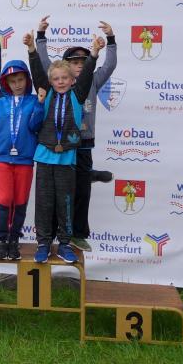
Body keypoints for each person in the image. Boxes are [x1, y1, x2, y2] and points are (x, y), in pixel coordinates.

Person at [37, 17, 117, 253]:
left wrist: (111, 39)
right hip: (60, 147)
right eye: (74, 62)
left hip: (83, 144)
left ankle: (78, 234)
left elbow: (110, 65)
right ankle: (51, 235)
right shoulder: (57, 85)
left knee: (81, 191)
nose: (80, 65)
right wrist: (40, 37)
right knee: (56, 192)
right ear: (66, 67)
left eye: (83, 61)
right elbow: (43, 63)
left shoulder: (92, 81)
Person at [26, 28, 106, 263]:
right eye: (56, 79)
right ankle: (43, 243)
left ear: (73, 81)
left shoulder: (77, 95)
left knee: (66, 202)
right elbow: (38, 73)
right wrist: (31, 49)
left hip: (67, 158)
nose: (60, 82)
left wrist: (94, 54)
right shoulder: (47, 93)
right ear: (51, 81)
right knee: (44, 203)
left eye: (65, 78)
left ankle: (64, 244)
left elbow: (88, 73)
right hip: (44, 156)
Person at [0, 59, 46, 261]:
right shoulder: (0, 103)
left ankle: (14, 240)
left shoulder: (33, 101)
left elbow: (35, 126)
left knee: (20, 201)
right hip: (3, 159)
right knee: (4, 200)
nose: (17, 84)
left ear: (27, 80)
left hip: (25, 160)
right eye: (13, 81)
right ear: (6, 83)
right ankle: (3, 239)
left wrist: (40, 105)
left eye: (20, 80)